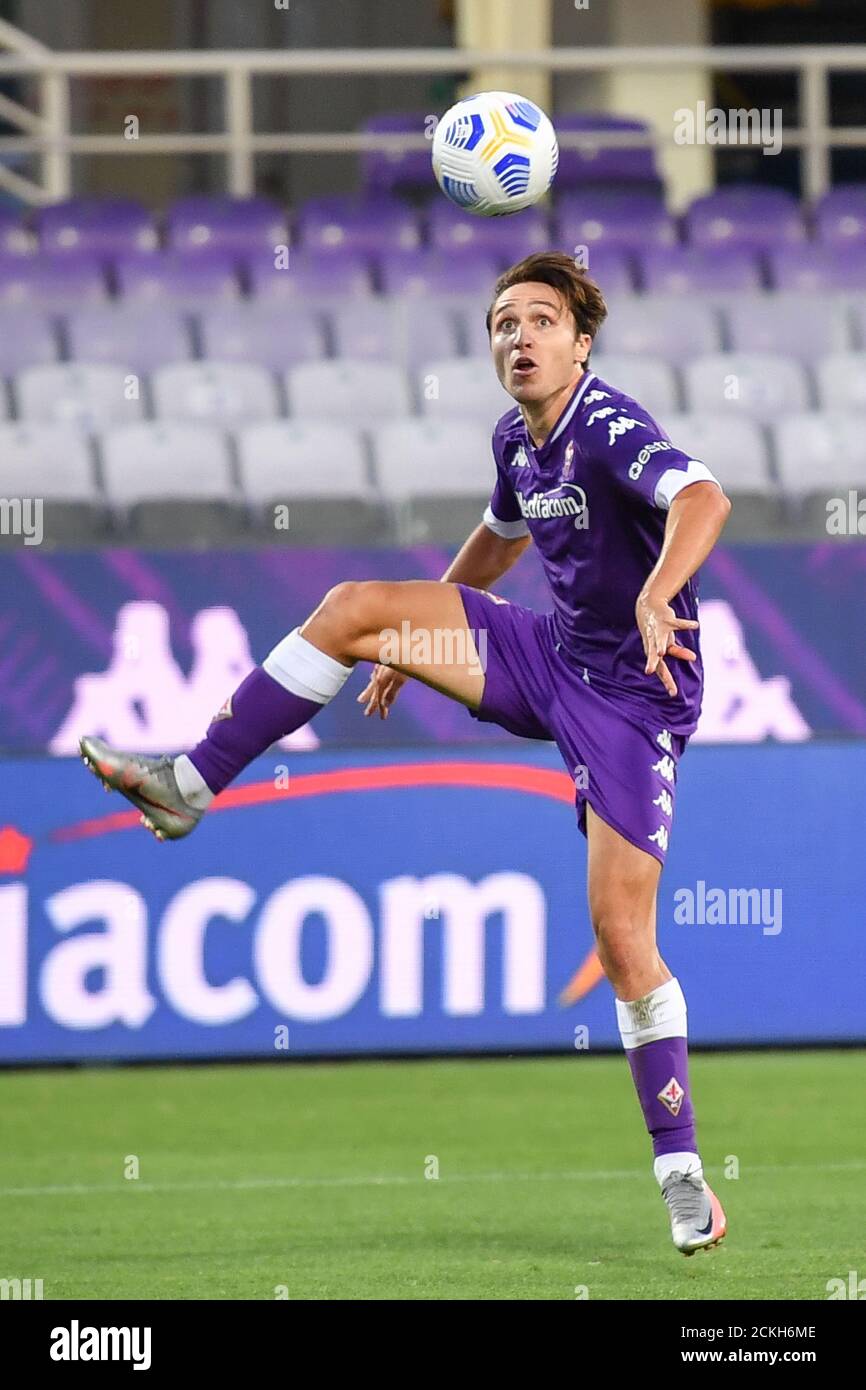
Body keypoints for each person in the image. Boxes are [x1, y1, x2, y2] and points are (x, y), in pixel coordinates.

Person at [81, 250, 731, 1256]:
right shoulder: (518, 441)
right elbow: (498, 540)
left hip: (632, 700)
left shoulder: (608, 425)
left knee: (617, 936)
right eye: (501, 323)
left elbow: (702, 499)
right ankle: (187, 782)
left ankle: (680, 1169)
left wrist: (655, 595)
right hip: (545, 656)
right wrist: (408, 641)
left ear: (579, 341)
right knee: (353, 612)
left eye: (540, 320)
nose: (518, 337)